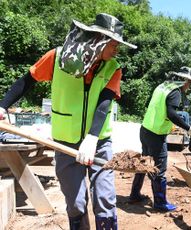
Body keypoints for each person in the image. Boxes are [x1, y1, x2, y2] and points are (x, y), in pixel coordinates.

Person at [0, 13, 137, 230]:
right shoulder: (57, 57)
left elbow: (104, 104)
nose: (116, 50)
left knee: (105, 199)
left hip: (99, 142)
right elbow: (27, 81)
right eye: (114, 44)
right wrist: (2, 105)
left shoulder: (114, 67)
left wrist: (92, 138)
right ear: (98, 41)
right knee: (75, 203)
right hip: (64, 143)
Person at [129, 66, 191, 211]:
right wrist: (189, 129)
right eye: (190, 83)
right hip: (156, 135)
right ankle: (160, 203)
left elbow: (157, 108)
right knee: (159, 169)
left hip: (145, 129)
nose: (189, 86)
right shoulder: (175, 91)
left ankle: (135, 194)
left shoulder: (162, 86)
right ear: (185, 80)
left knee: (144, 162)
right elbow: (171, 113)